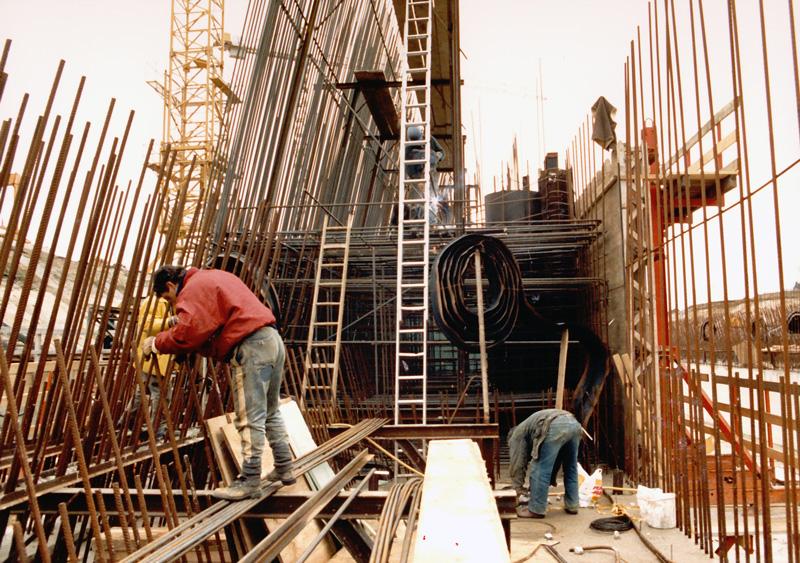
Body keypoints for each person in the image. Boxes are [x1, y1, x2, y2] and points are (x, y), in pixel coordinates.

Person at [141, 265, 296, 501]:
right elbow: (211, 319)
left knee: (249, 416)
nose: (173, 302)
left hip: (252, 348)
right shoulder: (214, 276)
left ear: (170, 286)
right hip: (271, 341)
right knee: (270, 410)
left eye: (168, 298)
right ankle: (285, 466)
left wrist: (157, 343)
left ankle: (250, 480)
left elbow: (189, 331)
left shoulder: (192, 288)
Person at [507, 409, 583, 518]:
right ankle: (572, 505)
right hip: (574, 424)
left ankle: (536, 510)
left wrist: (516, 490)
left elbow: (517, 464)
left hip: (555, 425)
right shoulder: (528, 427)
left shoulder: (516, 435)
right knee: (571, 467)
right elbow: (554, 461)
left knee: (539, 468)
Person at [131, 296, 174, 440]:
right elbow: (147, 324)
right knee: (162, 393)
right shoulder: (155, 302)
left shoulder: (169, 302)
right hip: (153, 355)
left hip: (156, 356)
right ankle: (159, 428)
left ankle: (127, 419)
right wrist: (170, 321)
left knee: (142, 389)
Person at [392, 125, 446, 225]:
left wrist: (439, 155)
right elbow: (409, 167)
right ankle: (414, 223)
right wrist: (417, 179)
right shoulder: (409, 149)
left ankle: (431, 222)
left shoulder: (430, 139)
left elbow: (442, 151)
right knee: (415, 199)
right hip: (417, 175)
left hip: (431, 173)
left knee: (432, 198)